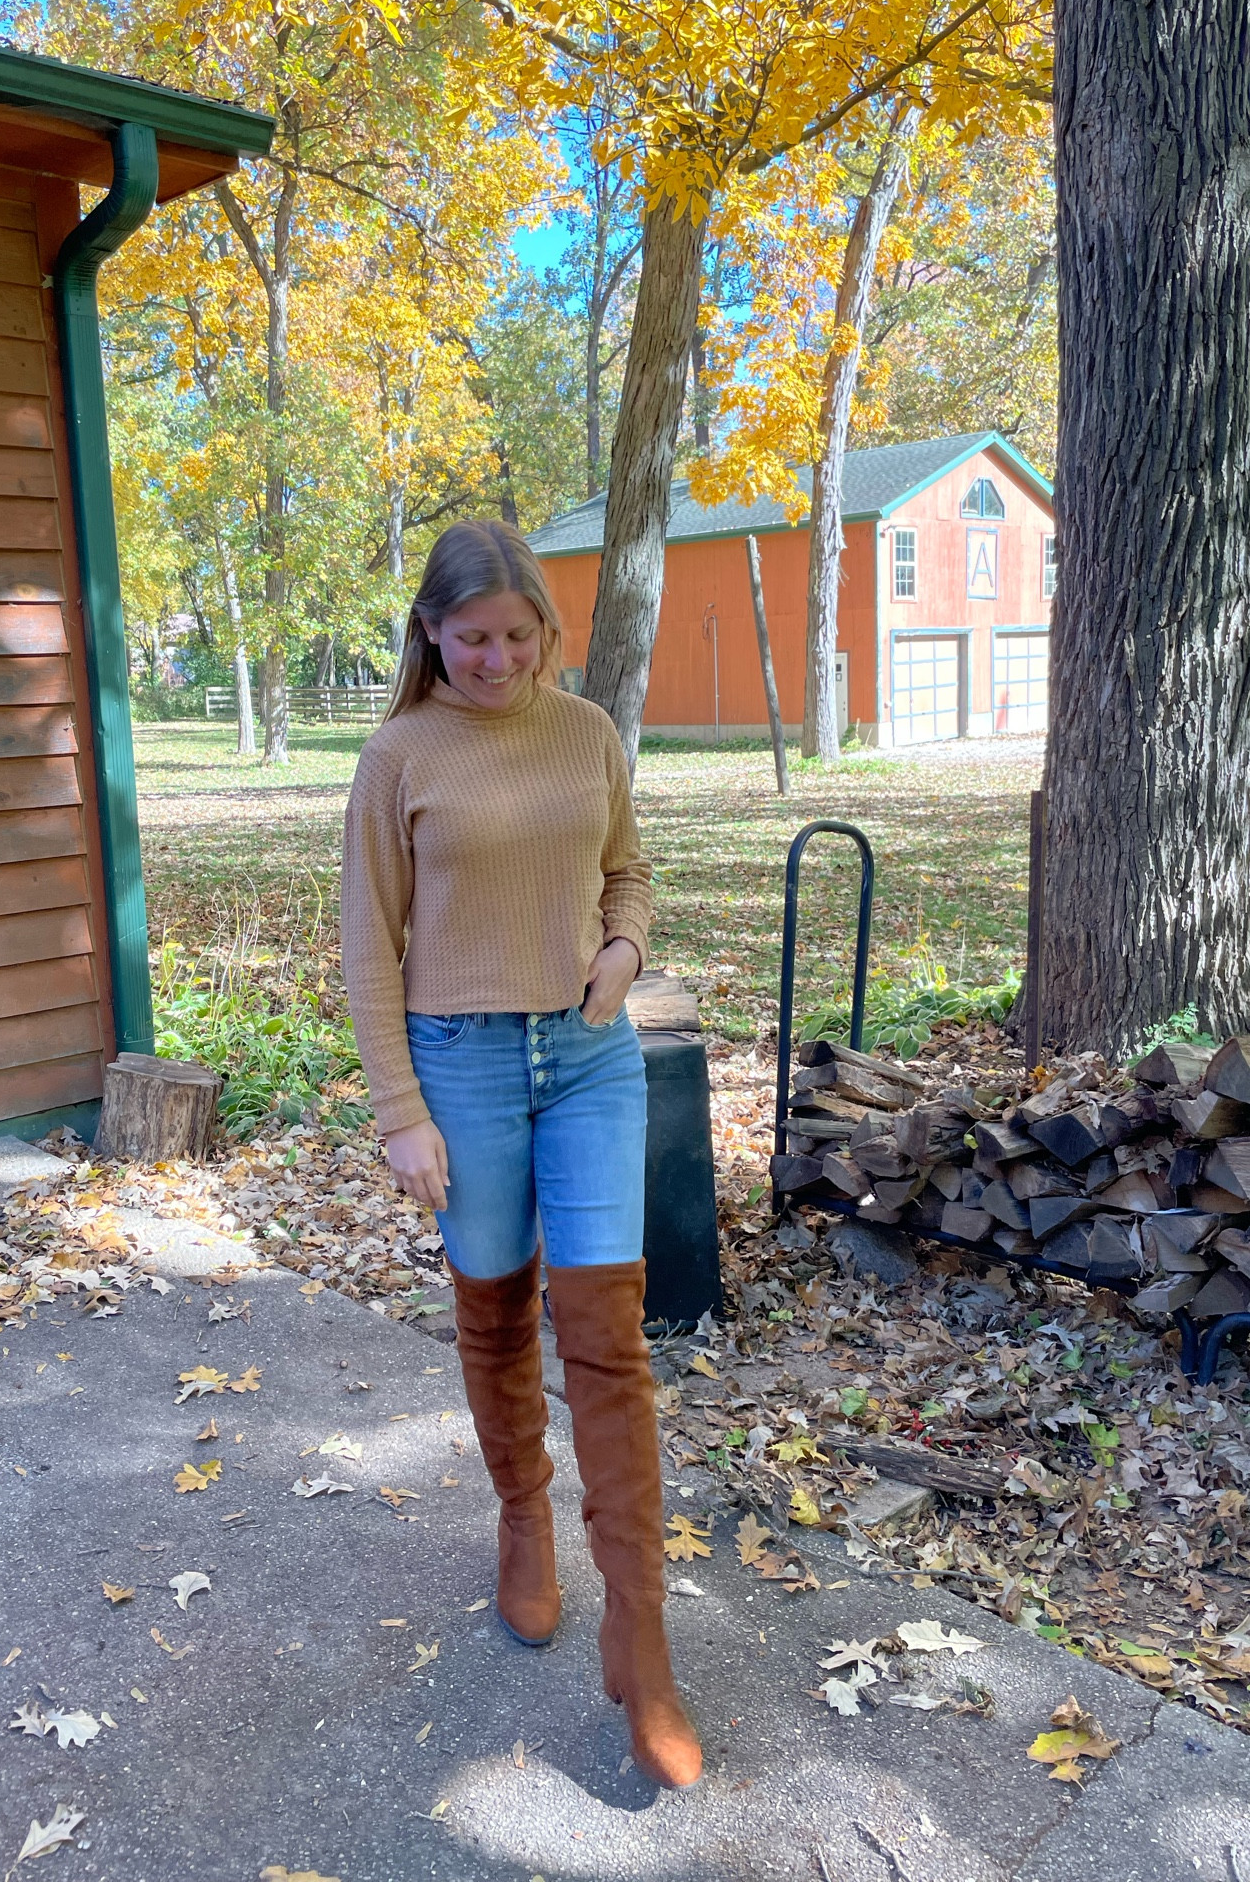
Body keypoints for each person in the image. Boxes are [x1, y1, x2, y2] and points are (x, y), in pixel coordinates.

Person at [339, 519, 702, 1788]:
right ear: (432, 631)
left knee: (608, 1327)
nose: (498, 658)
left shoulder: (588, 730)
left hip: (592, 1051)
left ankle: (641, 1636)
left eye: (518, 635)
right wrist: (401, 1110)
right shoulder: (398, 756)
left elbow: (628, 872)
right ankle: (521, 1519)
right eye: (473, 636)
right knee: (495, 1308)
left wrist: (626, 950)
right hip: (462, 1063)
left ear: (550, 629)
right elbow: (369, 947)